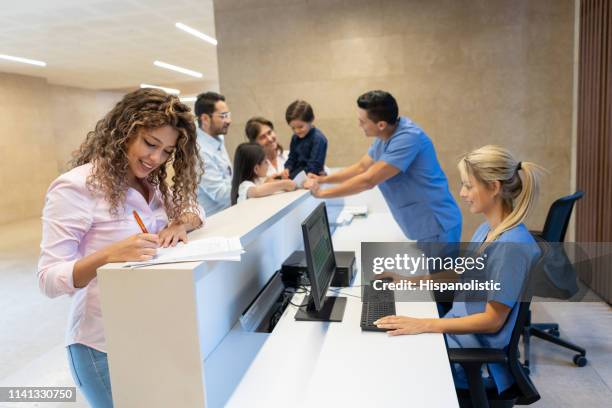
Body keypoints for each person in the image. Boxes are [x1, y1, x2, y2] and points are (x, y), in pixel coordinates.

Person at [37, 88, 205, 408]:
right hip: (103, 345)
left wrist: (179, 224)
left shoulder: (152, 183)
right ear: (123, 132)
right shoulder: (76, 186)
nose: (156, 159)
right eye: (150, 144)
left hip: (152, 332)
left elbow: (197, 210)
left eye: (167, 151)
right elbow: (47, 278)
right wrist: (108, 255)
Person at [374, 145, 542, 394]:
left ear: (494, 187)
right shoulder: (488, 229)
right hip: (458, 334)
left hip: (476, 359)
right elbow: (464, 271)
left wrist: (424, 324)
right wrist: (412, 281)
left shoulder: (511, 247)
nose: (462, 193)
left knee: (392, 370)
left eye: (468, 185)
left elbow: (492, 321)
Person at [305, 90, 461, 243]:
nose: (359, 125)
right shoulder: (385, 134)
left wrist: (322, 194)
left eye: (362, 121)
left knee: (442, 270)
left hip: (437, 222)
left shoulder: (408, 138)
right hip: (423, 223)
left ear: (381, 124)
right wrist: (323, 179)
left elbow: (368, 180)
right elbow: (361, 167)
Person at [194, 91, 233, 216]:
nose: (228, 120)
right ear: (205, 118)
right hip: (214, 222)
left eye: (228, 115)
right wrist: (249, 188)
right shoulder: (199, 151)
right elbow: (221, 195)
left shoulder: (217, 139)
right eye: (223, 116)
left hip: (228, 212)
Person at [231, 143, 297, 204]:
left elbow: (268, 184)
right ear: (256, 169)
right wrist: (283, 184)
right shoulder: (245, 185)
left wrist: (276, 179)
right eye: (265, 162)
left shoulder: (260, 180)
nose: (268, 164)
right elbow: (257, 191)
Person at [284, 100, 328, 179]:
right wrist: (287, 168)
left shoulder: (319, 139)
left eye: (300, 127)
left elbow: (315, 165)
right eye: (293, 128)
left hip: (312, 177)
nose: (296, 131)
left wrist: (293, 177)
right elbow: (292, 158)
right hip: (296, 176)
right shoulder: (295, 138)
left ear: (311, 120)